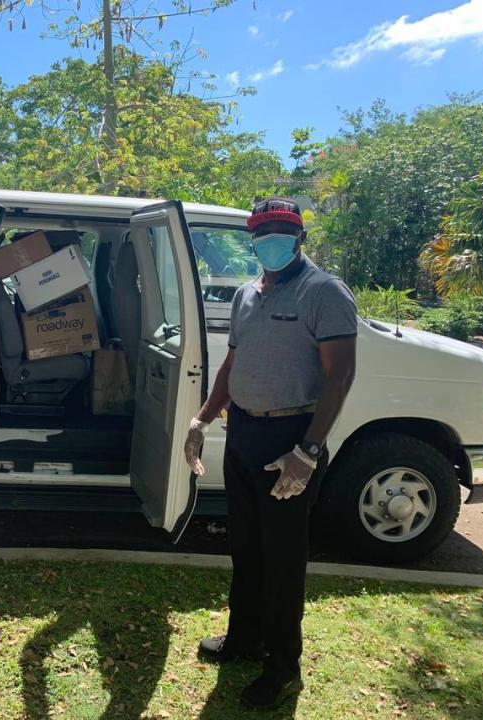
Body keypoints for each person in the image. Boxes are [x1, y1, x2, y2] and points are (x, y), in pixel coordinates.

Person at [184, 197, 357, 710]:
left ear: (299, 236)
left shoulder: (323, 292)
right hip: (243, 437)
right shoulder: (245, 294)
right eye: (262, 232)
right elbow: (230, 368)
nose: (271, 240)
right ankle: (245, 639)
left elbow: (340, 375)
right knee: (247, 549)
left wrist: (308, 450)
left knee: (282, 563)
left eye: (282, 231)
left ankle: (283, 670)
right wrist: (202, 419)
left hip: (290, 444)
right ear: (252, 239)